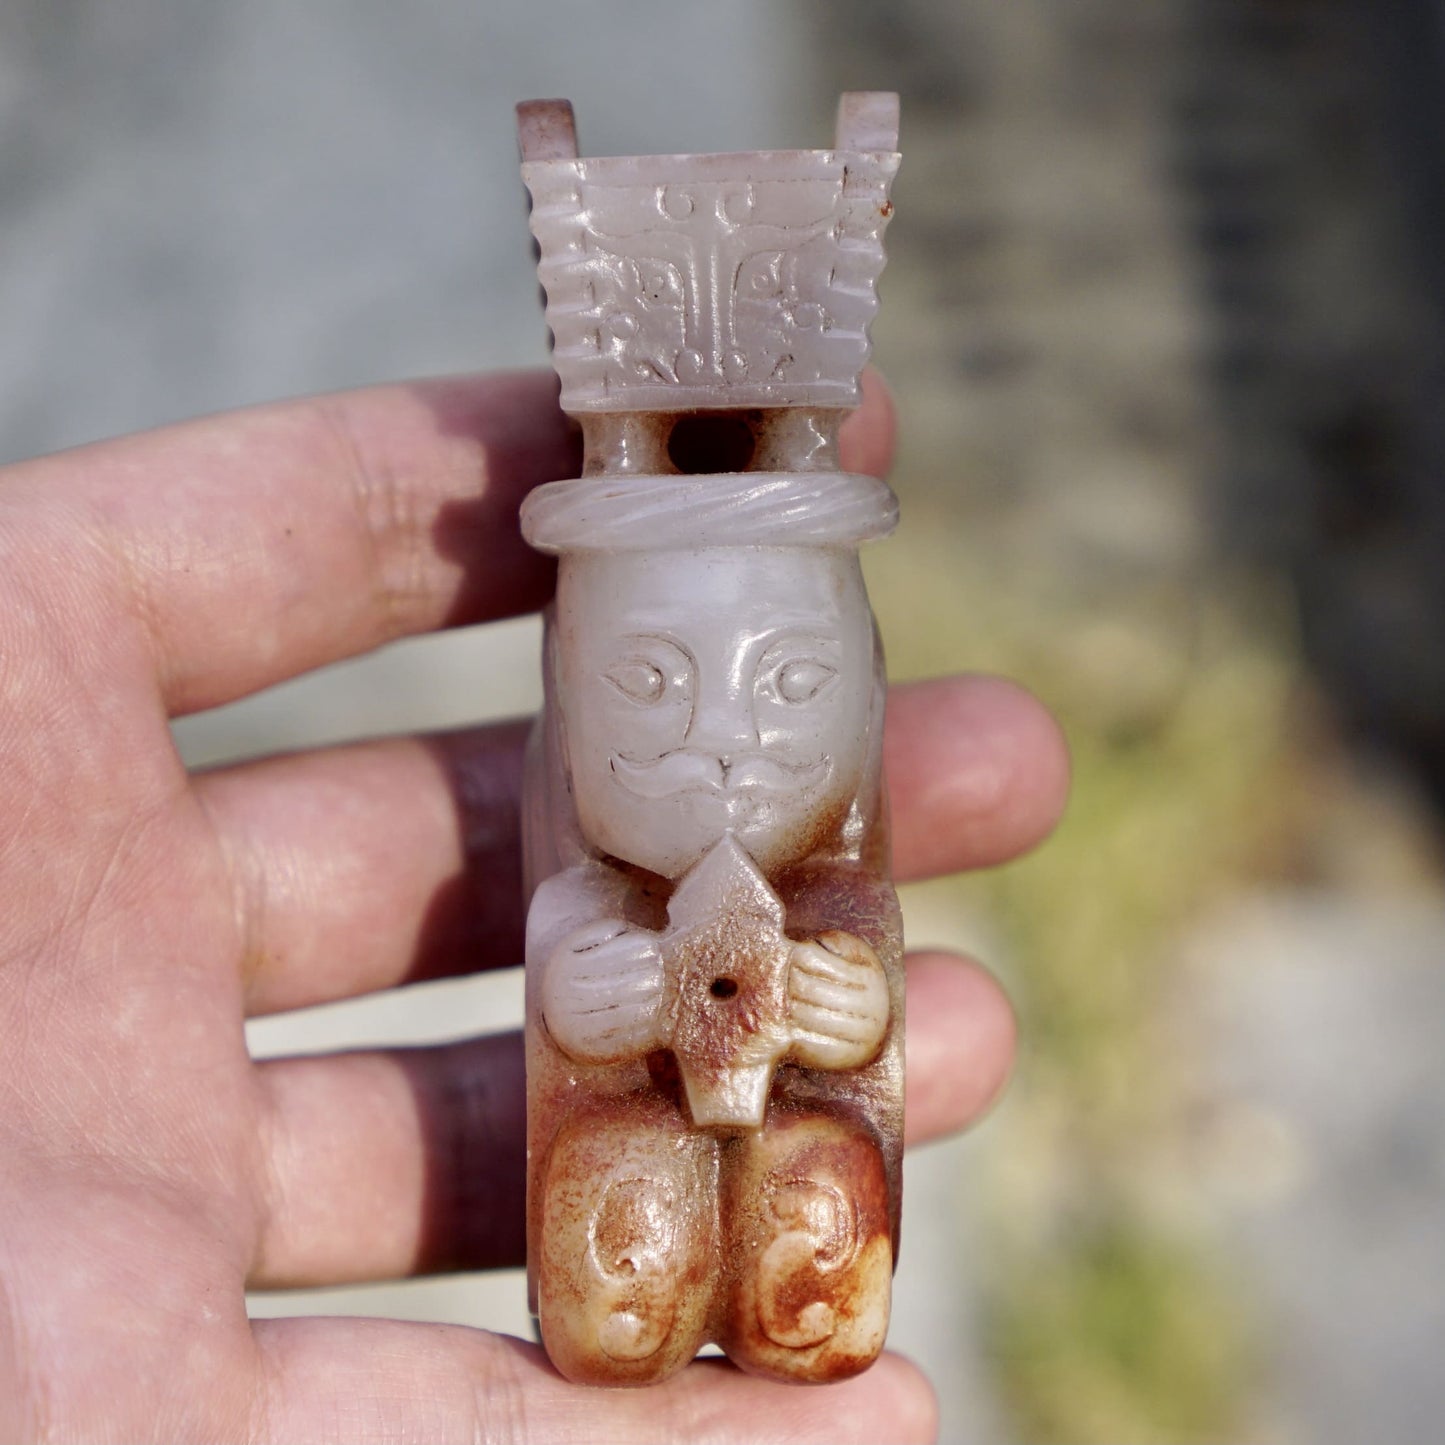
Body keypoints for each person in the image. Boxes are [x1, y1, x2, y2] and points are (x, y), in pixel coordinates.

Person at [0, 369, 1068, 1443]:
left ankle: (781, 1291)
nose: (722, 745)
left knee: (815, 1209)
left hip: (792, 1126)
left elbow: (862, 969)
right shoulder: (583, 872)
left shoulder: (828, 870)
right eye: (648, 685)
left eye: (792, 685)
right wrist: (603, 993)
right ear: (569, 682)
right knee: (627, 1231)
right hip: (624, 1130)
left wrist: (852, 1003)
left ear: (863, 691)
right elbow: (570, 963)